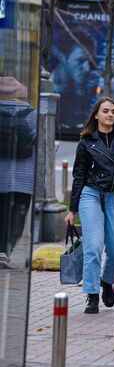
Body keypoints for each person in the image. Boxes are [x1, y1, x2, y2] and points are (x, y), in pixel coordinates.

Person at [64, 97, 114, 314]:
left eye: (113, 111)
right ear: (96, 114)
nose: (110, 115)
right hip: (91, 194)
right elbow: (78, 176)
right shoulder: (86, 142)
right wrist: (72, 209)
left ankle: (107, 280)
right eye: (105, 111)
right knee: (93, 246)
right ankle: (92, 294)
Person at [0, 77, 36, 259]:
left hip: (1, 176)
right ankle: (7, 250)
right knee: (18, 217)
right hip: (24, 177)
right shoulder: (30, 114)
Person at [50, 29, 99, 136]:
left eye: (89, 62)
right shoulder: (51, 90)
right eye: (80, 61)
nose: (86, 68)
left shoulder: (83, 88)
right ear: (64, 59)